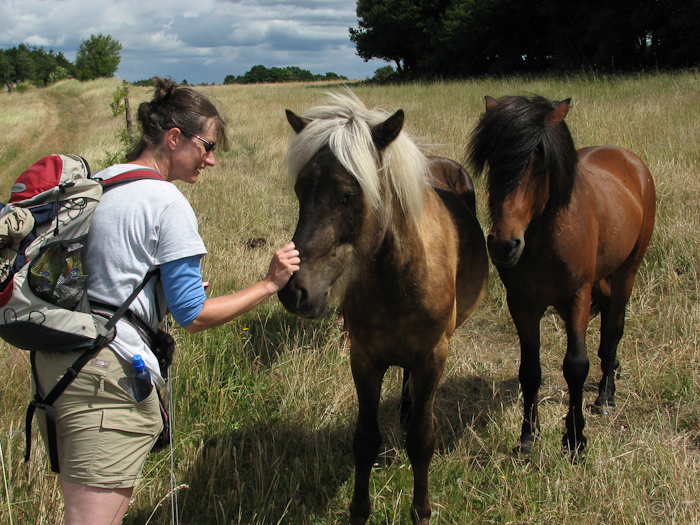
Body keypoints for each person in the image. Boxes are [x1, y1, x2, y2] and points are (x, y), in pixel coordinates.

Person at [32, 77, 300, 525]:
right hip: (105, 378)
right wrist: (269, 284)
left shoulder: (102, 182)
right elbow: (192, 316)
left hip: (57, 366)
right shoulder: (166, 202)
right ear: (174, 138)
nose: (210, 160)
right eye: (207, 146)